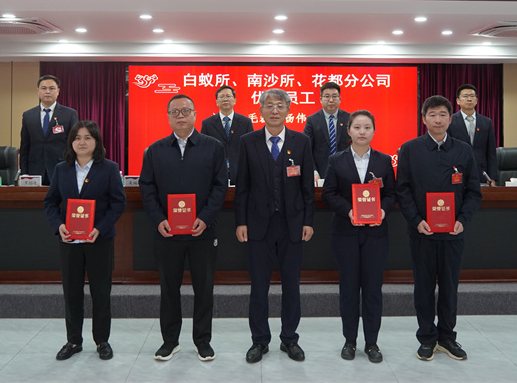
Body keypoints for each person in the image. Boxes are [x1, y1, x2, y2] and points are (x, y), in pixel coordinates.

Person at [139, 94, 227, 362]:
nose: (180, 116)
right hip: (167, 233)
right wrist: (158, 219)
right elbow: (147, 187)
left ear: (195, 114)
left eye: (185, 111)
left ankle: (202, 341)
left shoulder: (213, 147)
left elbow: (220, 187)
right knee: (169, 289)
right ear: (168, 117)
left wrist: (206, 218)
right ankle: (170, 341)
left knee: (204, 289)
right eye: (174, 112)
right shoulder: (155, 150)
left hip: (203, 232)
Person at [396, 95, 481, 362]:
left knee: (449, 287)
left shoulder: (463, 150)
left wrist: (463, 220)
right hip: (422, 232)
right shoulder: (410, 149)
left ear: (450, 118)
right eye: (432, 114)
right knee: (423, 287)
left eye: (443, 114)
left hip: (453, 233)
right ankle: (426, 337)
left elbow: (473, 191)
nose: (438, 119)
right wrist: (415, 220)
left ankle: (446, 337)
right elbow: (403, 190)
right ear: (424, 119)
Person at [235, 88, 315, 363]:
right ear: (260, 110)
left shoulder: (301, 142)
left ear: (288, 110)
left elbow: (307, 188)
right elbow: (242, 187)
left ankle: (289, 339)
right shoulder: (248, 142)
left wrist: (308, 221)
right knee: (259, 287)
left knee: (291, 285)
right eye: (269, 105)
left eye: (280, 105)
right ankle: (259, 340)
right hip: (258, 226)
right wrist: (241, 221)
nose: (274, 110)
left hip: (292, 226)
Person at [43, 120, 126, 362]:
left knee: (101, 292)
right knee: (72, 293)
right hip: (69, 242)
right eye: (77, 137)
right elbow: (50, 202)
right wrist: (58, 226)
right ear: (71, 142)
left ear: (96, 142)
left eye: (88, 137)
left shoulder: (109, 168)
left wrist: (100, 228)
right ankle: (73, 341)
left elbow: (118, 202)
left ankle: (102, 341)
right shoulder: (62, 169)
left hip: (99, 240)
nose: (82, 142)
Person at [322, 110, 396, 363]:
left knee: (373, 289)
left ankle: (372, 342)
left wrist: (382, 211)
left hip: (376, 234)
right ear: (349, 131)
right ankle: (350, 341)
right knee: (349, 288)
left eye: (367, 127)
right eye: (357, 127)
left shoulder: (384, 161)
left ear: (374, 131)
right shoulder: (336, 160)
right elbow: (328, 194)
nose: (362, 132)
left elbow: (391, 194)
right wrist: (349, 211)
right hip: (345, 232)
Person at [20, 74, 79, 185]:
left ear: (58, 91)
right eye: (44, 88)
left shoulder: (70, 114)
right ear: (38, 91)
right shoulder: (28, 115)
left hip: (61, 167)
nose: (47, 92)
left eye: (52, 88)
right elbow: (25, 146)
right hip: (35, 169)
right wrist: (24, 173)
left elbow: (74, 143)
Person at [200, 85, 254, 185]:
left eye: (228, 96)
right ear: (216, 102)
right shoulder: (207, 123)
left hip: (240, 172)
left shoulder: (245, 122)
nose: (225, 99)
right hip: (215, 172)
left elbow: (251, 148)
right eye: (221, 97)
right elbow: (203, 149)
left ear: (234, 100)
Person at [448, 84, 497, 185]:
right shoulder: (450, 121)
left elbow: (491, 152)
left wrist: (492, 177)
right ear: (458, 101)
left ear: (477, 100)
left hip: (481, 173)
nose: (469, 99)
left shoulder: (486, 122)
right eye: (465, 96)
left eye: (472, 96)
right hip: (457, 172)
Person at [303, 81, 351, 182]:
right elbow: (306, 149)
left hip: (346, 171)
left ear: (340, 99)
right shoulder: (312, 120)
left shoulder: (349, 119)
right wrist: (313, 171)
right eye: (327, 96)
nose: (331, 100)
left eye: (334, 96)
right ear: (321, 99)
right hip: (320, 173)